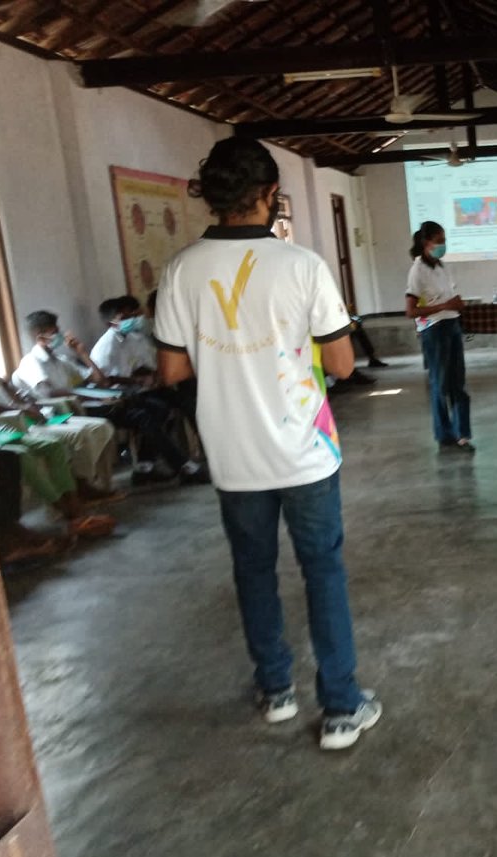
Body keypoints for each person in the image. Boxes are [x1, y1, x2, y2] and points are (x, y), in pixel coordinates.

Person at [154, 135, 381, 751]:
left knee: (253, 571)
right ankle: (340, 708)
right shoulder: (302, 265)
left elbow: (172, 372)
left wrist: (226, 363)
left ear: (213, 196)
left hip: (232, 454)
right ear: (270, 195)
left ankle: (276, 690)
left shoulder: (180, 270)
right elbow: (339, 364)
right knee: (322, 572)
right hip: (304, 450)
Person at [14, 310, 200, 485]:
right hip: (65, 413)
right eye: (54, 332)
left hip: (90, 405)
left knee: (155, 407)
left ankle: (145, 467)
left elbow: (100, 381)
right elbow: (47, 393)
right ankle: (184, 467)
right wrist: (83, 394)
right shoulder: (31, 362)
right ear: (40, 337)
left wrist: (82, 353)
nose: (60, 336)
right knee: (143, 416)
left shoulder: (61, 360)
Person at [0, 317, 118, 495]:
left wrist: (25, 402)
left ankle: (88, 482)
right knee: (76, 438)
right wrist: (21, 409)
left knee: (103, 427)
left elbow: (6, 388)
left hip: (29, 414)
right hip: (8, 423)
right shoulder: (30, 362)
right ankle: (81, 486)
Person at [405, 220, 474, 451]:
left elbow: (448, 297)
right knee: (440, 384)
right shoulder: (417, 271)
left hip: (451, 325)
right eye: (439, 241)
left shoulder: (442, 266)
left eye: (445, 241)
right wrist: (444, 306)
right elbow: (411, 310)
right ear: (426, 242)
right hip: (434, 330)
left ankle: (462, 432)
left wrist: (456, 307)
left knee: (458, 382)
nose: (443, 245)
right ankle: (445, 434)